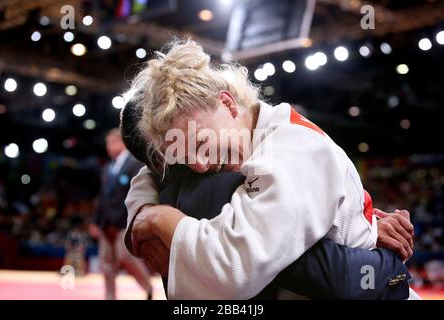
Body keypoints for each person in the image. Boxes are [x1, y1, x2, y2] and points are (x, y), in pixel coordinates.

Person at [122, 40, 417, 299]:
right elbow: (149, 174)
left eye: (201, 142)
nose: (199, 164)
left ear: (228, 103)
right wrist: (141, 210)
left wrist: (159, 217)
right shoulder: (237, 142)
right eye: (184, 157)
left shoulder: (293, 148)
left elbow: (232, 271)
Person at [90, 128, 153, 300]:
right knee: (106, 264)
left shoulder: (134, 164)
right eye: (107, 144)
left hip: (125, 221)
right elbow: (102, 197)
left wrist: (135, 219)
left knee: (126, 256)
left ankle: (147, 287)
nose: (108, 147)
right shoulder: (108, 167)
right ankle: (110, 297)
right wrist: (96, 221)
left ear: (121, 142)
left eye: (111, 143)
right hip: (106, 222)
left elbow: (137, 194)